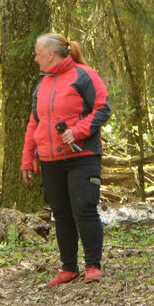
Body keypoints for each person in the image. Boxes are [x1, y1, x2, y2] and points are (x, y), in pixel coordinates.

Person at [21, 32, 112, 287]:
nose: (35, 59)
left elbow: (103, 108)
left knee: (83, 208)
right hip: (50, 160)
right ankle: (68, 268)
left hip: (82, 155)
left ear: (50, 54)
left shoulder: (84, 75)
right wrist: (27, 158)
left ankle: (93, 266)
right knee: (60, 214)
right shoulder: (42, 83)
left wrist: (79, 131)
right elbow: (34, 123)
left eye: (38, 54)